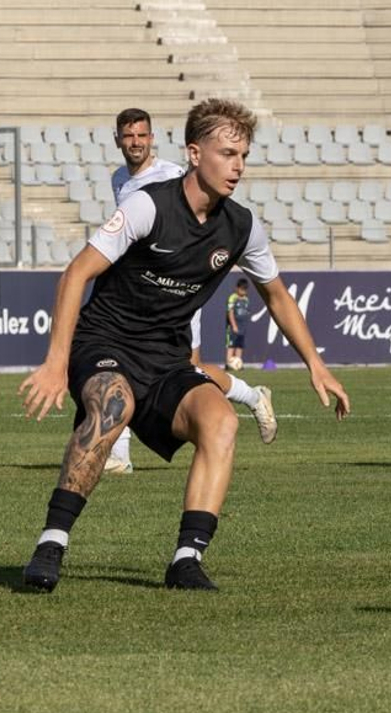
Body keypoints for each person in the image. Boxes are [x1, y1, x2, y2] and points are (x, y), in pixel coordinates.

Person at [19, 99, 350, 593]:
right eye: (227, 153)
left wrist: (316, 365)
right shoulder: (148, 204)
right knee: (114, 404)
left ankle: (186, 560)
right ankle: (52, 544)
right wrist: (55, 361)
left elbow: (277, 295)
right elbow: (76, 274)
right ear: (195, 154)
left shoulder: (242, 227)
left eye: (243, 155)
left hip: (167, 358)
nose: (237, 166)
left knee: (221, 421)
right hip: (105, 341)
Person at [103, 108, 278, 476]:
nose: (135, 142)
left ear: (152, 139)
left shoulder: (169, 175)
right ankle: (119, 453)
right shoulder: (120, 179)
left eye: (142, 135)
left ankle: (249, 395)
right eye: (128, 136)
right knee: (137, 363)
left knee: (177, 368)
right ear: (117, 139)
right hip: (146, 292)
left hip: (178, 294)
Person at [225, 279, 251, 370]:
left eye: (245, 289)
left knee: (240, 345)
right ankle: (228, 364)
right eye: (242, 289)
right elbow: (230, 312)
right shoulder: (233, 298)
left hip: (242, 327)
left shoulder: (246, 299)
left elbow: (246, 313)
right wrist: (234, 325)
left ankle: (238, 363)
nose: (244, 291)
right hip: (233, 327)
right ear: (237, 288)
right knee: (231, 345)